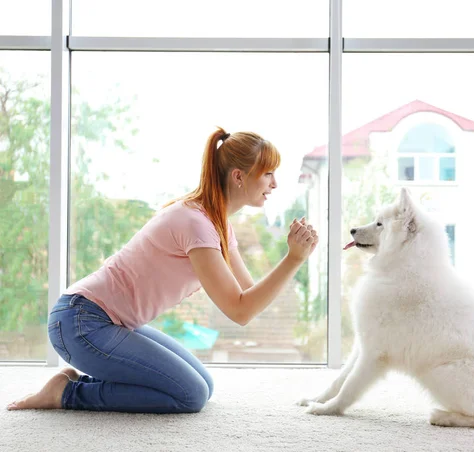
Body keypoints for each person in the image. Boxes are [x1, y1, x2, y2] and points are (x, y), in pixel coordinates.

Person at [7, 127, 318, 414]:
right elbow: (240, 310)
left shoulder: (218, 226)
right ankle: (66, 394)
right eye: (268, 174)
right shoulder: (196, 223)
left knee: (203, 386)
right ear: (239, 176)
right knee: (190, 395)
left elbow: (249, 297)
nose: (275, 184)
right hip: (81, 323)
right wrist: (293, 260)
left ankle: (73, 384)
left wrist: (295, 257)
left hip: (106, 321)